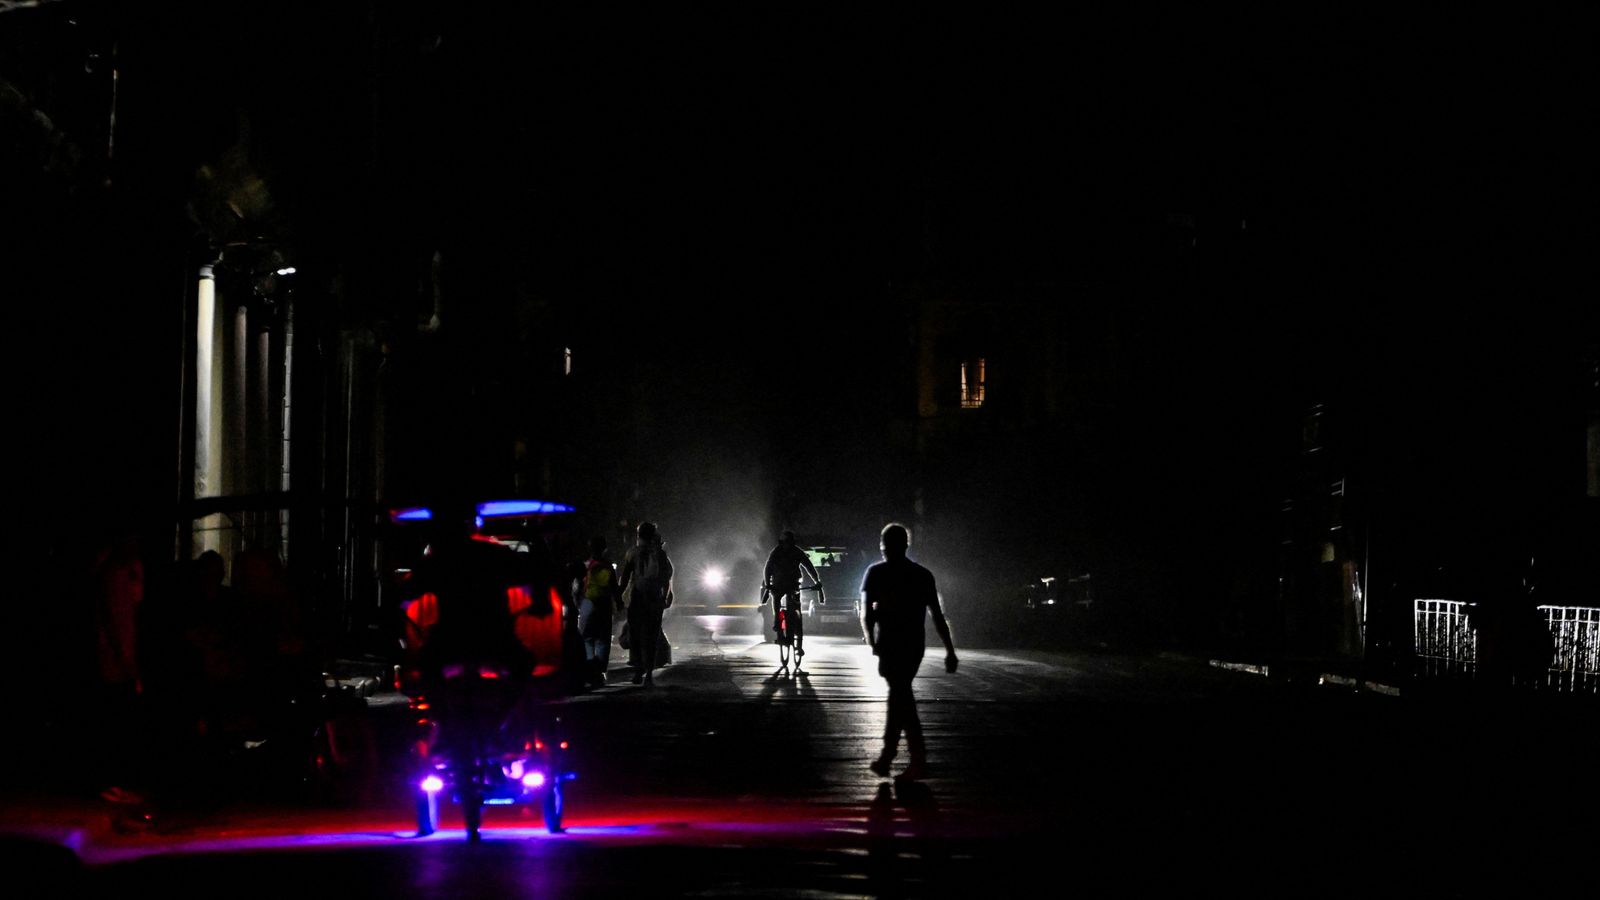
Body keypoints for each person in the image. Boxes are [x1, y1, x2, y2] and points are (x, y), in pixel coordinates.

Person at [862, 522, 957, 781]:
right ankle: (891, 756)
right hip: (914, 644)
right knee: (900, 694)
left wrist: (872, 643)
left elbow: (868, 615)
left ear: (883, 546)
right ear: (906, 545)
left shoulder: (876, 573)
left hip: (890, 644)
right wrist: (949, 650)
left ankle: (913, 757)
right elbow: (937, 615)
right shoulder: (922, 575)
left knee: (901, 696)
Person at [618, 520, 673, 686]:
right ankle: (648, 674)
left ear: (639, 535)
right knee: (651, 637)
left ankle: (637, 670)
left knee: (636, 636)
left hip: (637, 599)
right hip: (654, 599)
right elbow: (666, 576)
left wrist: (618, 596)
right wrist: (667, 595)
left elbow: (625, 577)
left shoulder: (632, 553)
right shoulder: (660, 554)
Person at [763, 530, 822, 659]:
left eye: (789, 543)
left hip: (793, 583)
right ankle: (777, 623)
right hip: (778, 583)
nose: (787, 545)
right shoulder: (776, 552)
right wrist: (768, 584)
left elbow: (809, 566)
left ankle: (799, 644)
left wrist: (816, 580)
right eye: (785, 543)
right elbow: (768, 568)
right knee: (776, 599)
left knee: (797, 609)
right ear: (782, 543)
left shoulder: (797, 552)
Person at [575, 535, 622, 686]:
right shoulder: (608, 565)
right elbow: (614, 587)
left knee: (587, 639)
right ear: (604, 548)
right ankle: (600, 672)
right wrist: (619, 603)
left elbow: (578, 587)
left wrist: (578, 603)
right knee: (603, 640)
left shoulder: (585, 565)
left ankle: (589, 670)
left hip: (587, 605)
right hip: (604, 605)